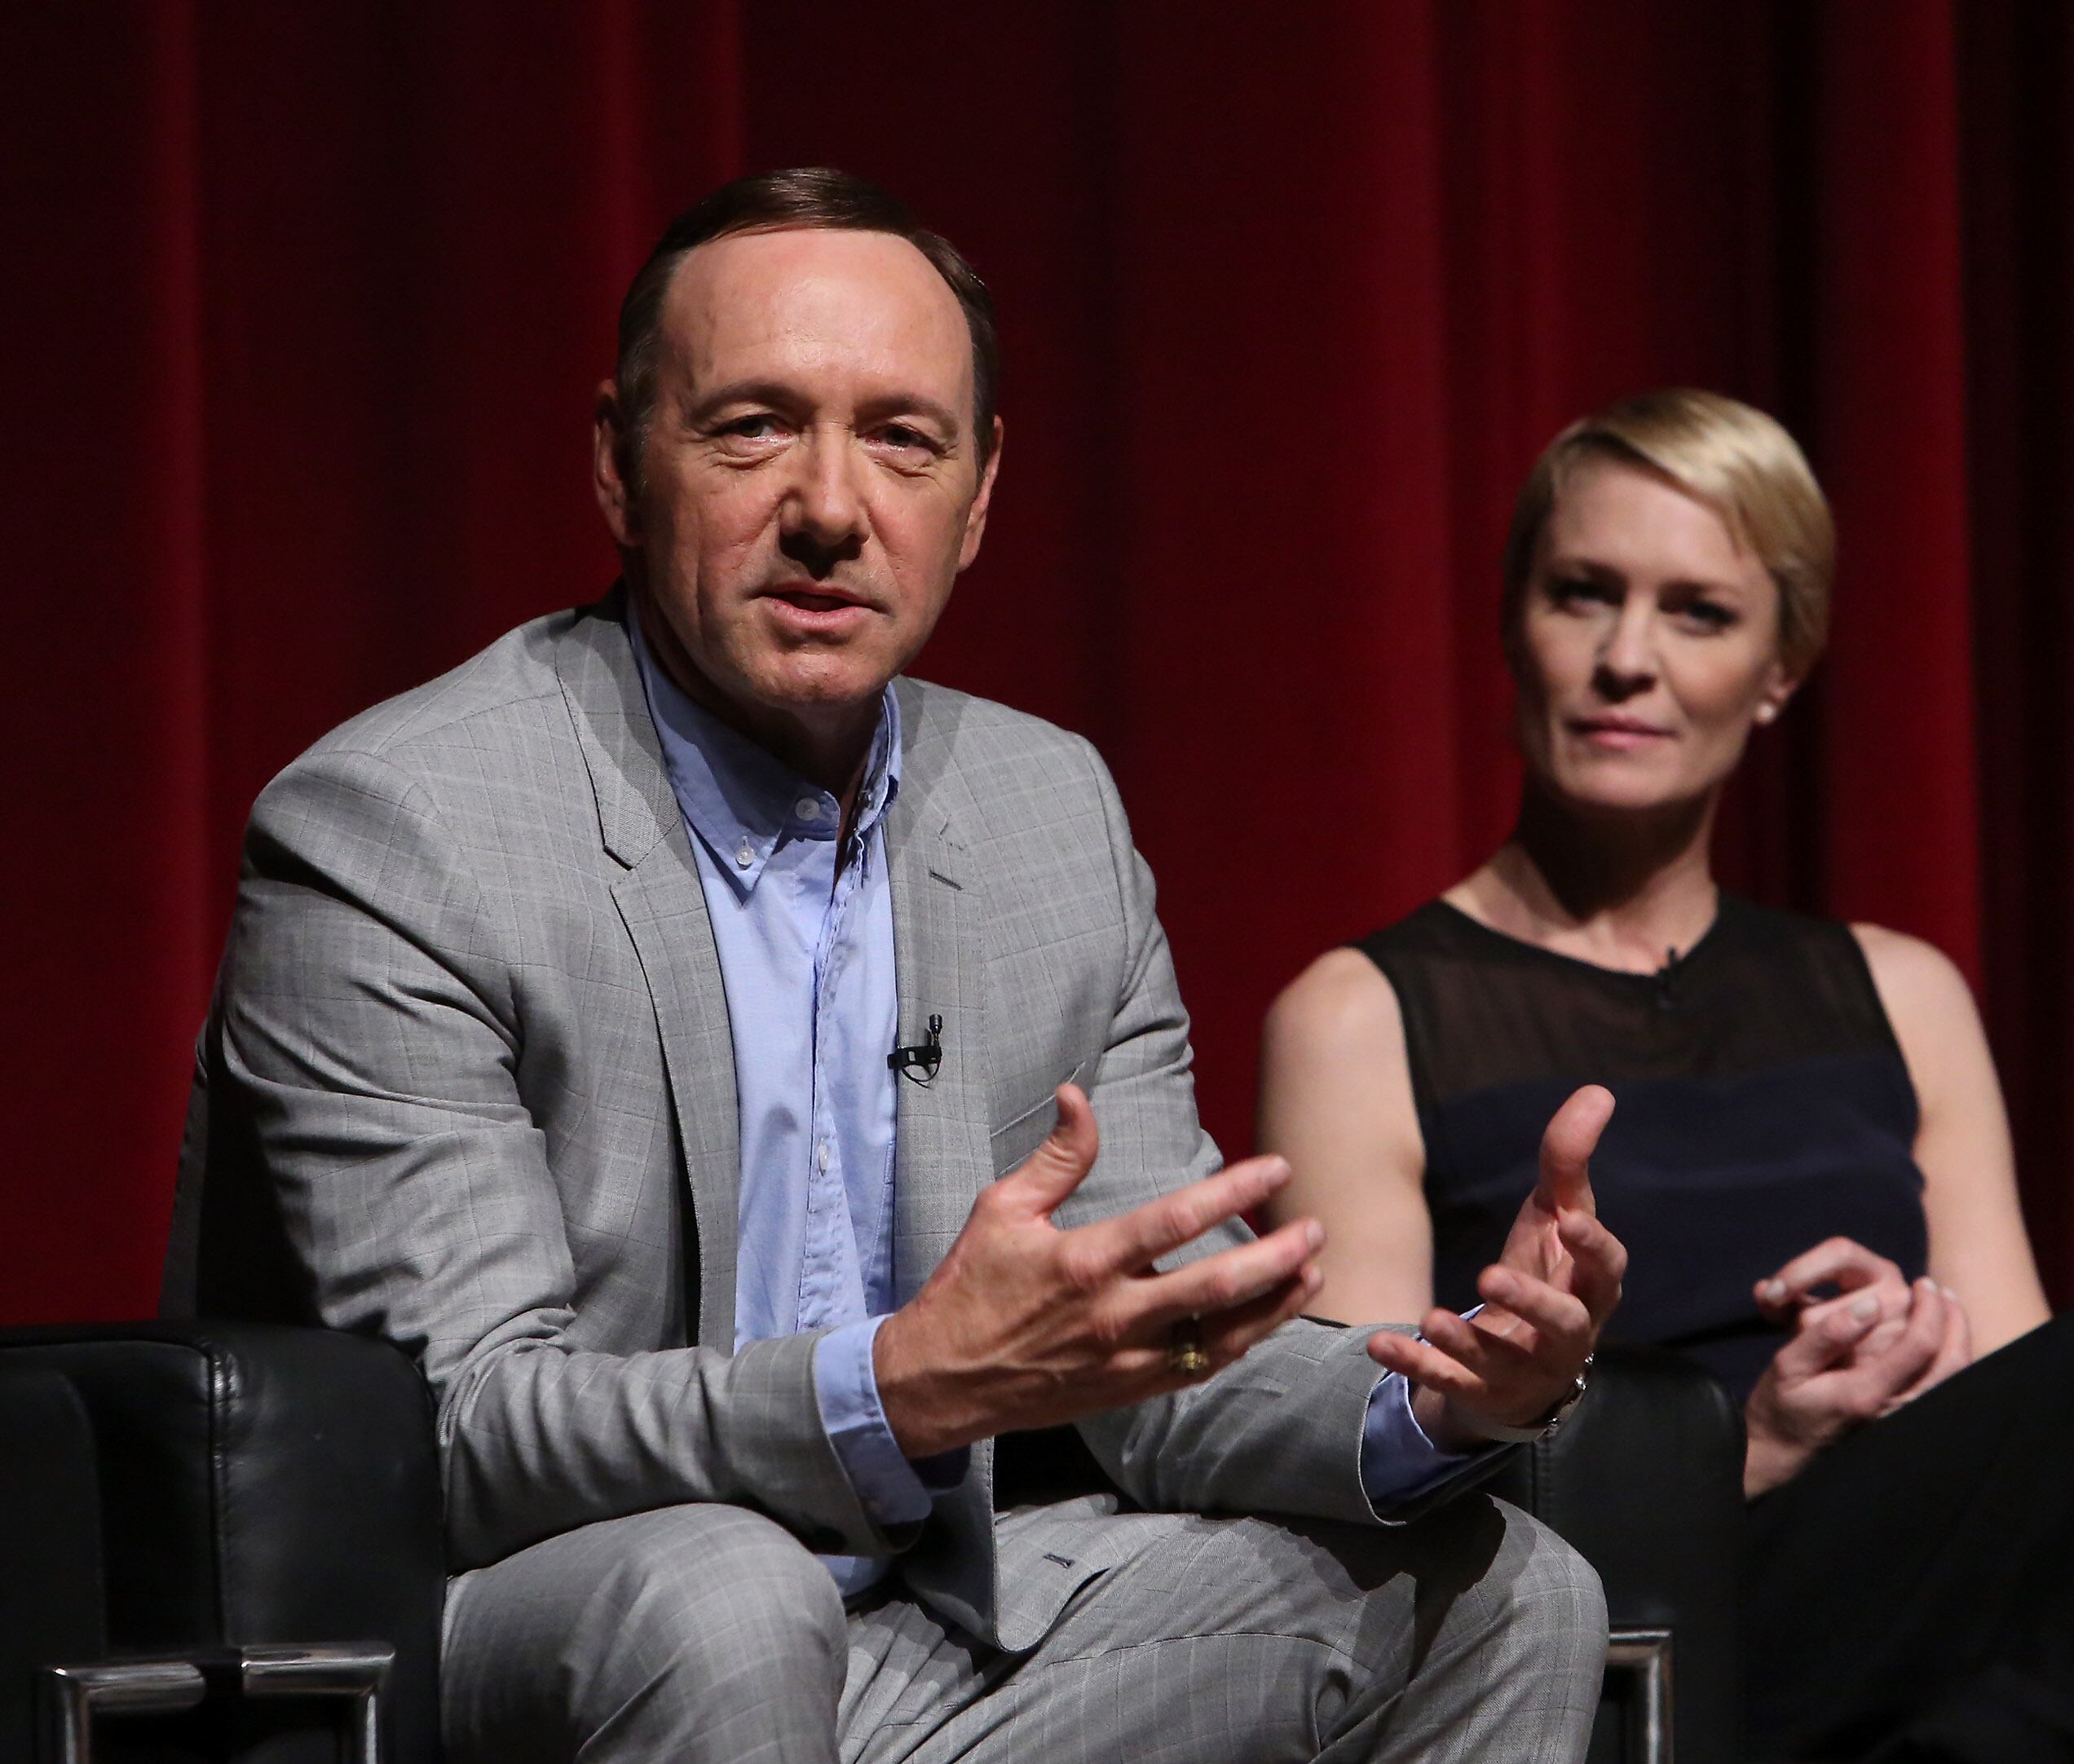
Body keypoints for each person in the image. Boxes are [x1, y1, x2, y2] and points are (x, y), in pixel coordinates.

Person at [165, 168, 1624, 1764]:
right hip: (519, 1620)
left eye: (901, 438)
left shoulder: (1040, 807)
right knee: (726, 1592)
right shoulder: (406, 827)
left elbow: (1147, 1370)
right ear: (616, 465)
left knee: (1505, 1589)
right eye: (753, 427)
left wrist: (1445, 1396)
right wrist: (897, 1387)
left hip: (921, 1632)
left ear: (980, 495)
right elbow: (463, 1435)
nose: (831, 506)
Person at [1253, 388, 2074, 1764]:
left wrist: (1918, 1358)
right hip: (1654, 1624)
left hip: (1924, 1584)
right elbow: (1361, 1485)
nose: (1626, 657)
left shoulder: (1901, 990)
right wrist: (1746, 1449)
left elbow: (2036, 1396)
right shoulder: (1360, 1013)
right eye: (1584, 594)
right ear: (1517, 624)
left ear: (1779, 669)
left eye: (1697, 612)